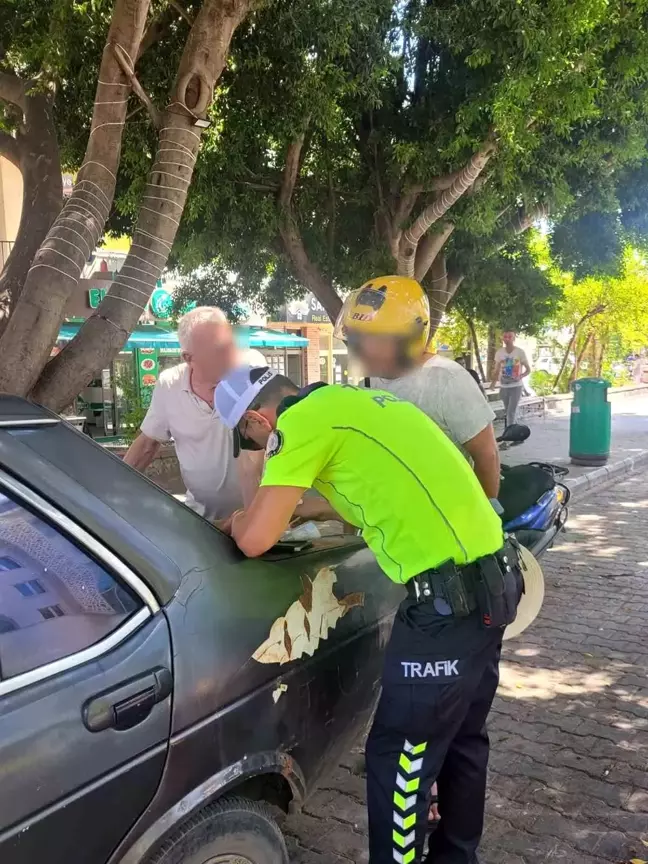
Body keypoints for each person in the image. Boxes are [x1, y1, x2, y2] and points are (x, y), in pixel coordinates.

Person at [214, 362, 523, 864]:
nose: (255, 447)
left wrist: (236, 521)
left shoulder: (300, 424)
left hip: (445, 606)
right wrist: (314, 506)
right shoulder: (362, 403)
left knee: (400, 758)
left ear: (256, 420)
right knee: (463, 742)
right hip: (493, 585)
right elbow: (381, 488)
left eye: (249, 440)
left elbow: (254, 540)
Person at [336, 275, 500, 499]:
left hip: (446, 514)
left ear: (409, 338)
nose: (361, 350)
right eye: (356, 338)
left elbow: (486, 455)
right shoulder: (369, 382)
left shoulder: (448, 380)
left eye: (373, 340)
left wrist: (487, 514)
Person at [123, 306, 265, 521]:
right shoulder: (170, 385)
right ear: (189, 358)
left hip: (261, 519)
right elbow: (147, 445)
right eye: (219, 350)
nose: (231, 356)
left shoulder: (253, 369)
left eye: (231, 345)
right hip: (203, 523)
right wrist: (112, 489)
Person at [490, 331, 531, 428]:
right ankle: (515, 434)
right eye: (505, 336)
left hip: (516, 386)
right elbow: (496, 370)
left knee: (511, 412)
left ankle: (509, 437)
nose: (507, 339)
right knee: (508, 411)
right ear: (502, 338)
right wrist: (493, 383)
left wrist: (520, 376)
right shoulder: (499, 353)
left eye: (510, 337)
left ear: (514, 338)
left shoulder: (520, 352)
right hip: (504, 387)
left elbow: (528, 370)